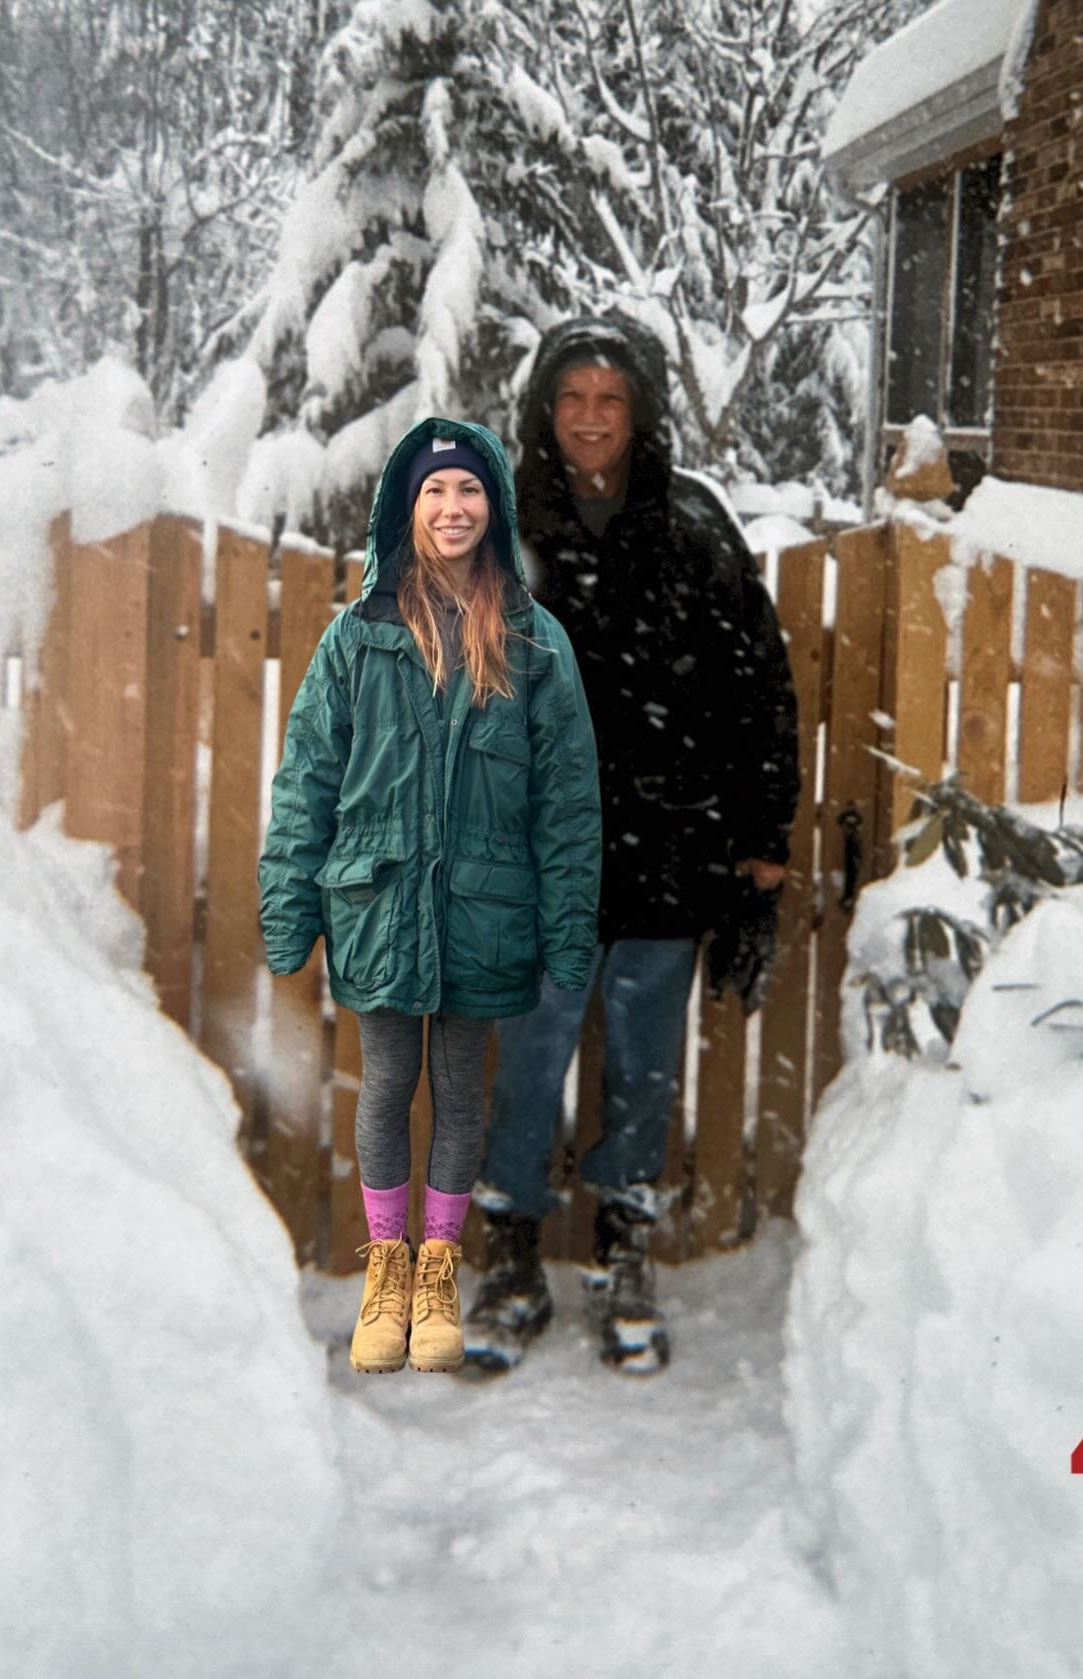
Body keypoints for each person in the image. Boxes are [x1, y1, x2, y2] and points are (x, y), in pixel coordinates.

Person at [466, 315, 800, 1376]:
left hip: (669, 844)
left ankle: (624, 1249)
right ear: (543, 410)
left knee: (645, 1065)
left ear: (642, 409)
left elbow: (759, 692)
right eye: (573, 399)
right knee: (527, 1060)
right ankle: (511, 1255)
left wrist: (760, 848)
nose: (592, 419)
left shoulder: (695, 526)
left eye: (612, 398)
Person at [259, 419, 600, 1375]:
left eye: (469, 493)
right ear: (405, 510)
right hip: (377, 903)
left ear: (493, 508)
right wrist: (289, 903)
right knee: (383, 1090)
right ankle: (385, 1277)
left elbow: (567, 804)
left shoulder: (534, 642)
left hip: (483, 916)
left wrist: (567, 932)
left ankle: (439, 1272)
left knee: (458, 1094)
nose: (452, 510)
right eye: (433, 494)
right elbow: (307, 781)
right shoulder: (356, 636)